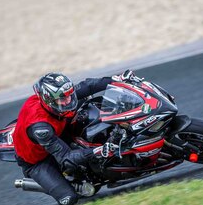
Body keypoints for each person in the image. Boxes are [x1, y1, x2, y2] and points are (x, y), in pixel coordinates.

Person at [13, 70, 135, 205]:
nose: (68, 101)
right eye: (62, 100)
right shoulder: (41, 129)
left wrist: (117, 78)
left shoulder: (59, 98)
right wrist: (99, 151)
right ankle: (66, 185)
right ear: (48, 100)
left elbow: (88, 86)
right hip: (38, 161)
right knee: (69, 198)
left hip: (57, 130)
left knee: (89, 107)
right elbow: (67, 158)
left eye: (69, 96)